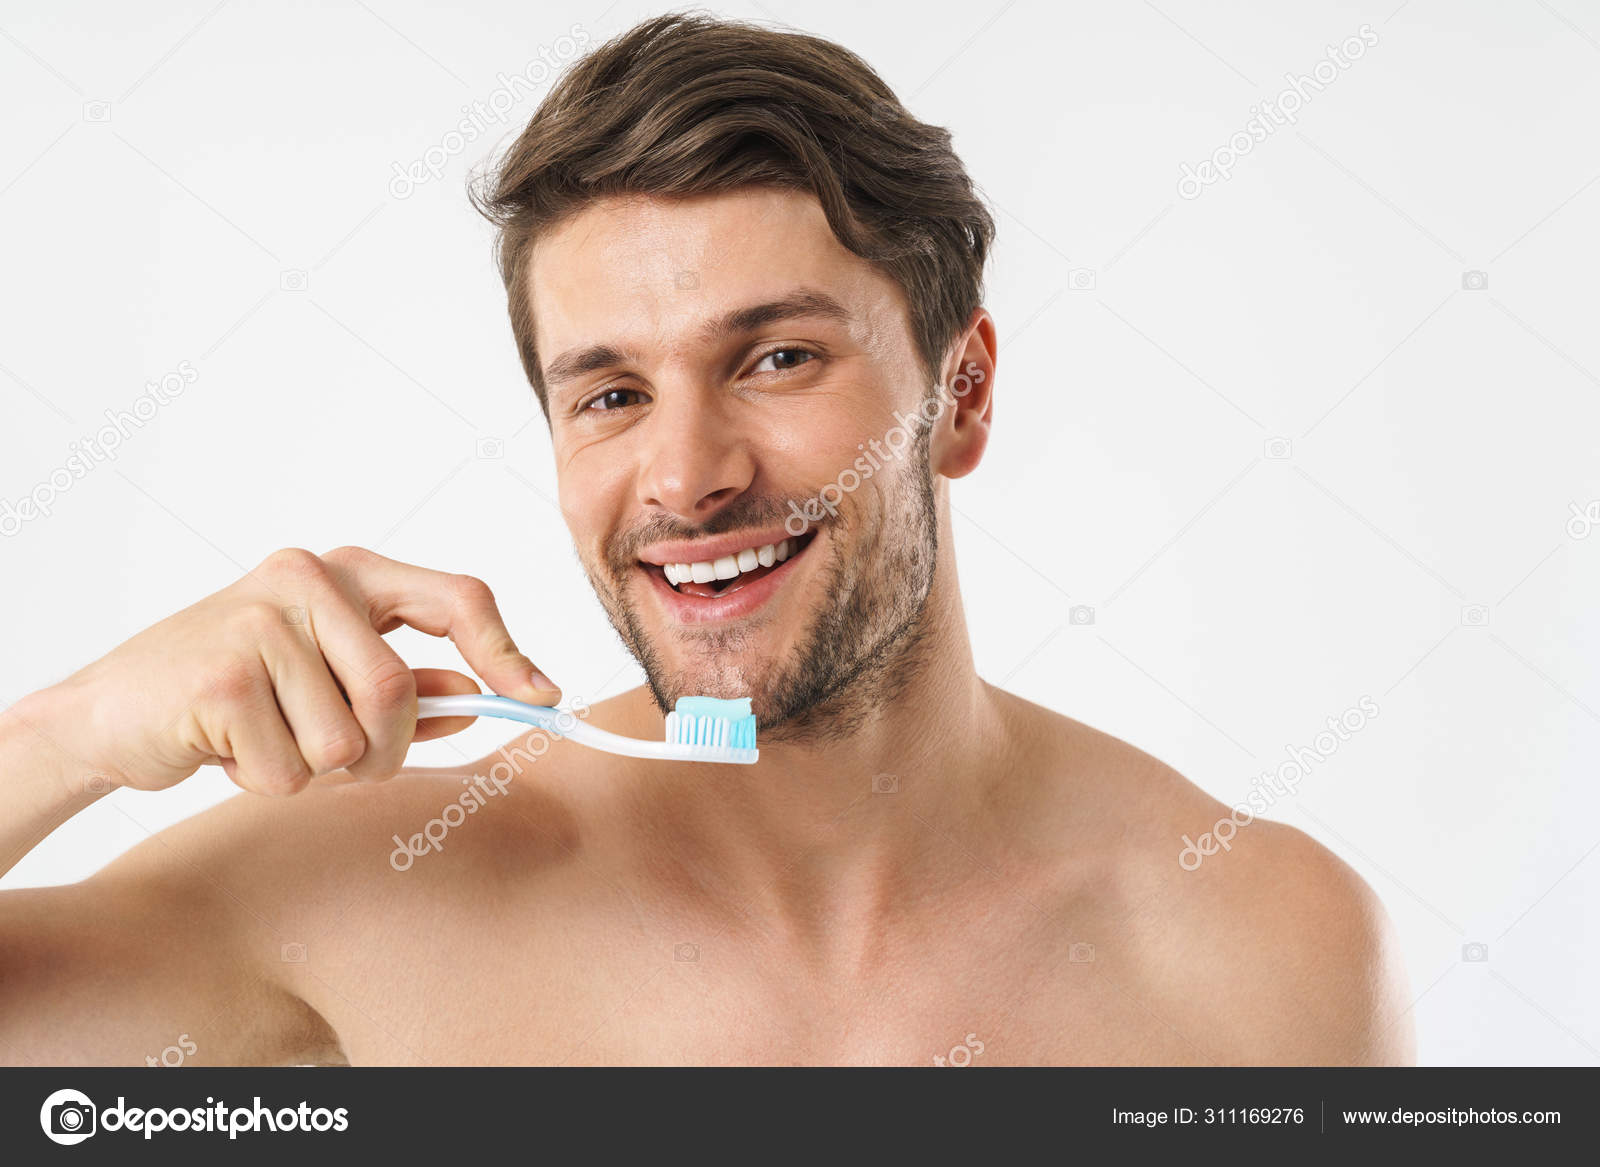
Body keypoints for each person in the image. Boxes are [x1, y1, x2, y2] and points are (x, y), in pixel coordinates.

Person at [0, 14, 1413, 1066]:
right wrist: (63, 737)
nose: (686, 477)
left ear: (962, 394)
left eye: (779, 359)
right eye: (611, 395)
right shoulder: (368, 900)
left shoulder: (1261, 948)